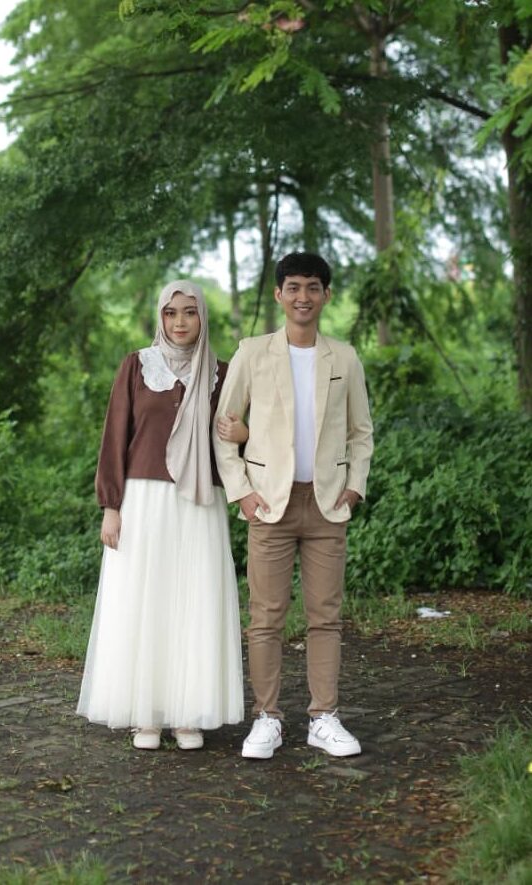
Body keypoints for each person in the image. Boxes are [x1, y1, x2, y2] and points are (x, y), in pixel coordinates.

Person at [213, 252, 373, 760]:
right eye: (294, 287)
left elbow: (361, 432)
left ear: (326, 295)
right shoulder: (252, 353)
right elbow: (224, 427)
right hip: (269, 505)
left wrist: (354, 486)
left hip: (326, 505)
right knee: (266, 618)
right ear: (280, 294)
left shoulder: (344, 357)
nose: (303, 296)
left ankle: (324, 717)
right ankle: (267, 718)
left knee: (326, 616)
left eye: (313, 287)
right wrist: (241, 491)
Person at [77, 280, 247, 751]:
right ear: (160, 317)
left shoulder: (221, 373)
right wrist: (111, 507)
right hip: (144, 501)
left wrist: (244, 434)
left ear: (202, 317)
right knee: (145, 602)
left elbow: (237, 439)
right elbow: (115, 436)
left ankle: (187, 714)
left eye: (189, 312)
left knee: (193, 601)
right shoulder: (137, 365)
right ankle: (146, 714)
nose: (179, 321)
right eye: (171, 313)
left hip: (199, 503)